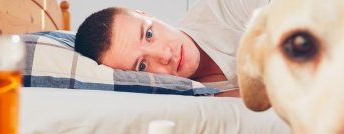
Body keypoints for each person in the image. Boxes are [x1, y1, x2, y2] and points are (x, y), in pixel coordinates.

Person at [74, 0, 270, 97]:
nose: (165, 55)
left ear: (145, 14)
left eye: (149, 34)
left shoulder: (226, 8)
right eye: (142, 66)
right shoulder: (197, 100)